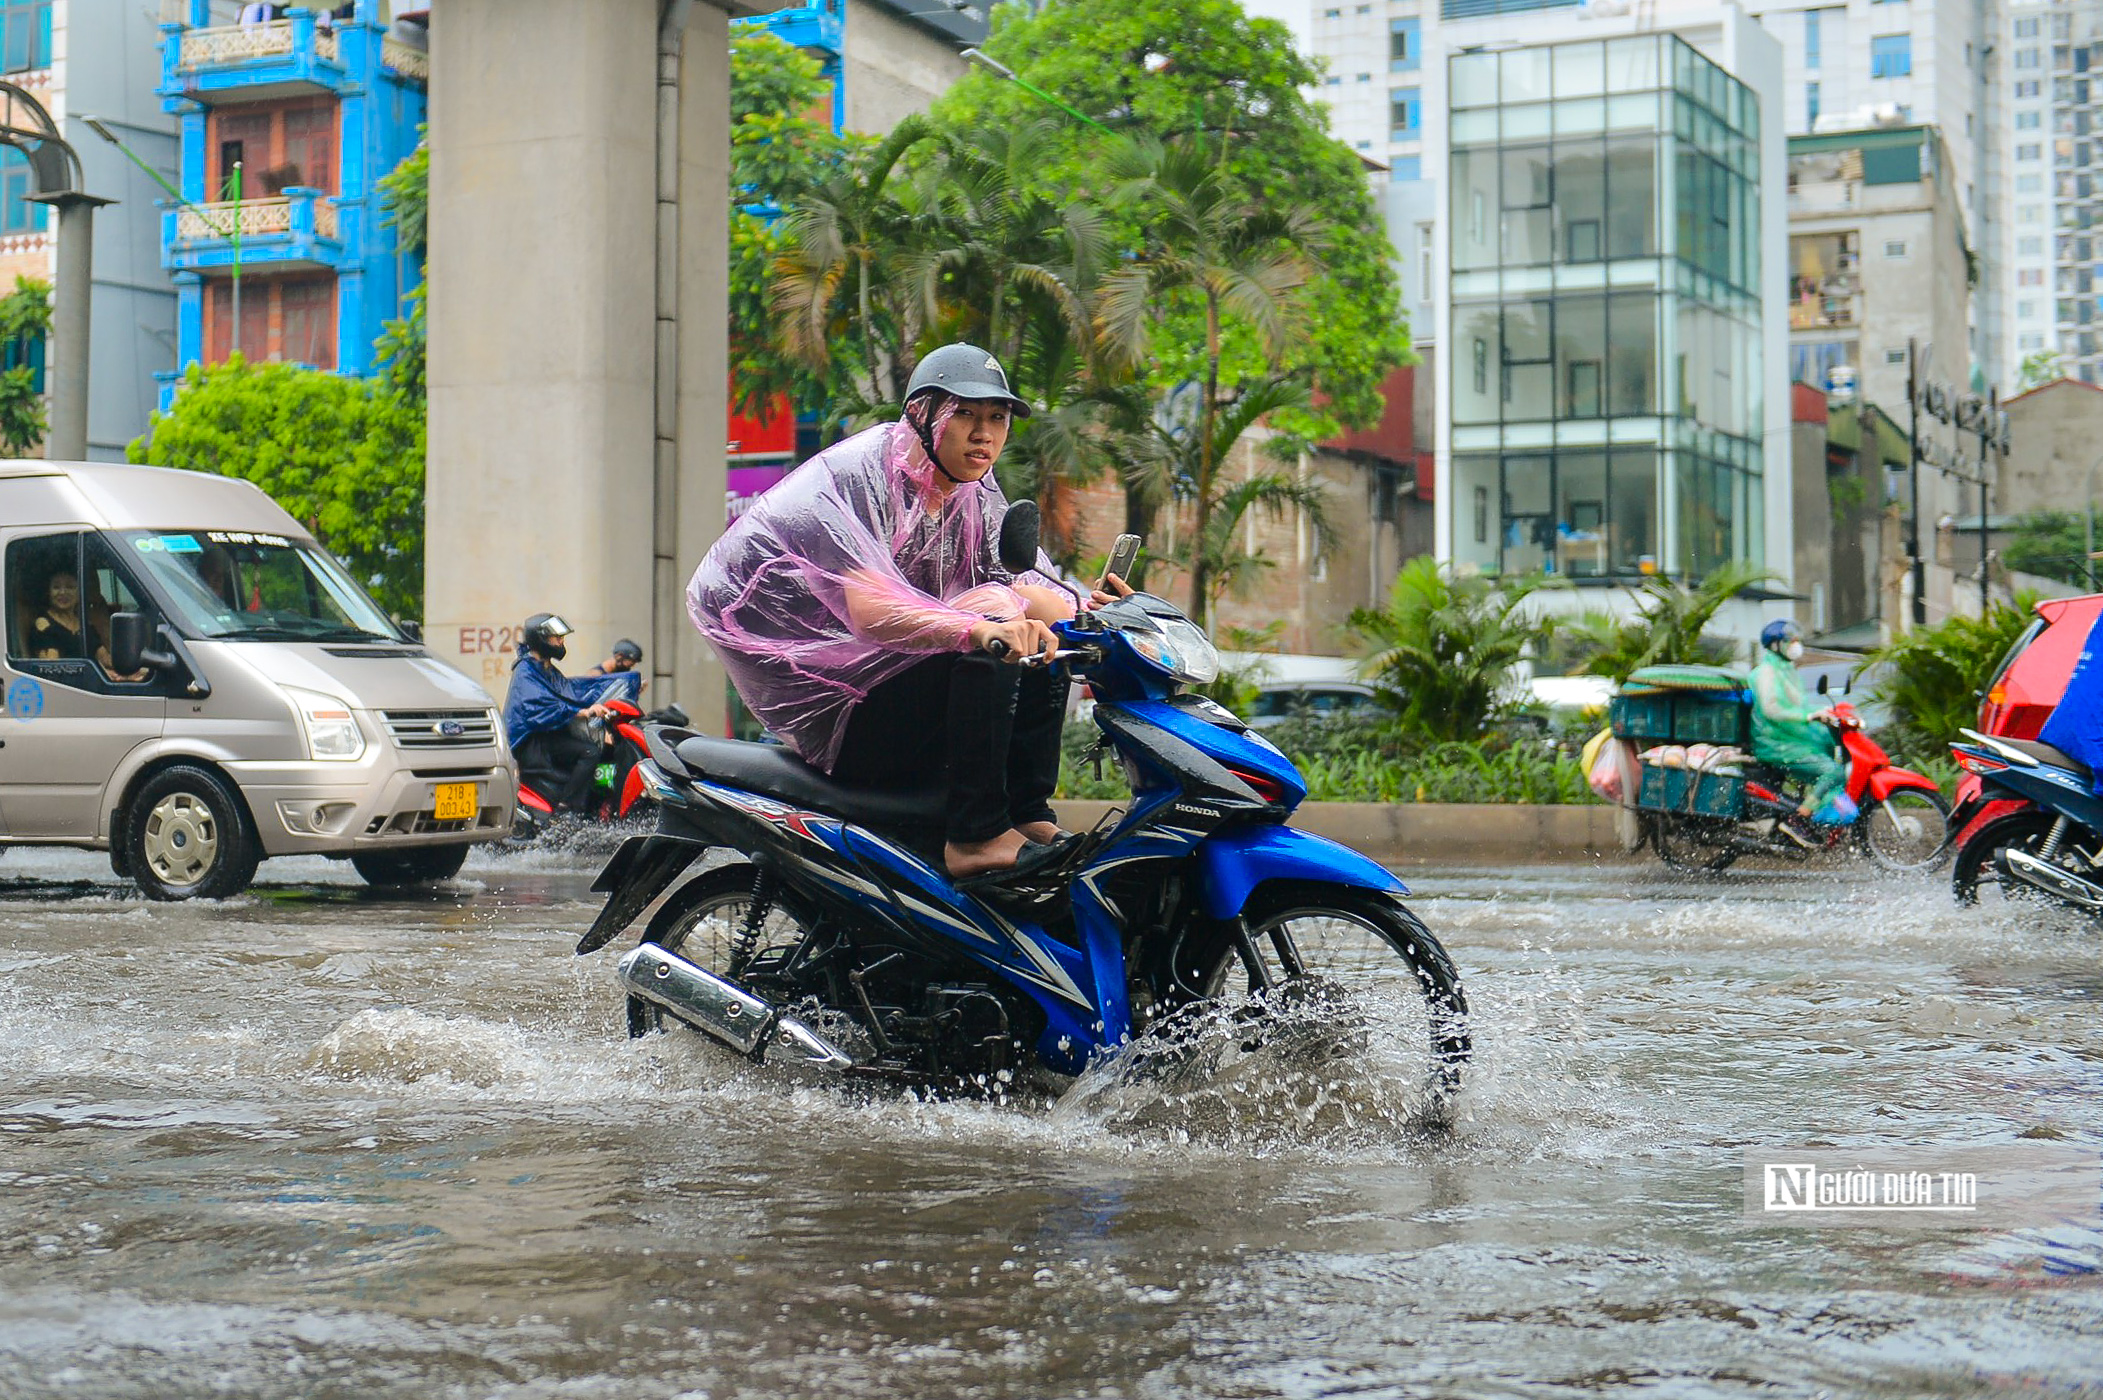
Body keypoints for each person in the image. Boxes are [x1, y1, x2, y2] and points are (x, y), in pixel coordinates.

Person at [687, 343, 1082, 880]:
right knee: (993, 641)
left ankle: (1027, 813)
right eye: (964, 414)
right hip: (836, 708)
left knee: (1037, 641)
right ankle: (975, 838)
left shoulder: (970, 490)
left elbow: (1033, 585)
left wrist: (1093, 610)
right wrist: (978, 630)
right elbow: (869, 610)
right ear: (921, 414)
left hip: (887, 684)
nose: (984, 433)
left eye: (997, 417)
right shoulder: (857, 476)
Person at [503, 613, 639, 814]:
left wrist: (617, 689)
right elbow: (539, 705)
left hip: (547, 737)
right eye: (556, 637)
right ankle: (567, 808)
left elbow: (572, 690)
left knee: (600, 749)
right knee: (589, 752)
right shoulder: (526, 671)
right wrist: (583, 711)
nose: (561, 642)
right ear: (540, 639)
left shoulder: (545, 669)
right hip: (531, 745)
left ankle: (591, 808)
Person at [1747, 618, 1848, 847]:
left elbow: (1798, 705)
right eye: (1789, 640)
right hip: (1774, 742)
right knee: (1831, 771)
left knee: (1833, 758)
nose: (1795, 644)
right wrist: (1808, 716)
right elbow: (1772, 710)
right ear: (1775, 645)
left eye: (1796, 639)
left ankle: (1819, 820)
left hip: (1791, 738)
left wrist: (1819, 712)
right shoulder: (1766, 673)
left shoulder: (1786, 670)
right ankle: (1799, 818)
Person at [28, 569, 86, 661]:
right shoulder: (43, 624)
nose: (62, 592)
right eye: (56, 587)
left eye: (70, 587)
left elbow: (104, 658)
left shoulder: (84, 623)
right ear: (48, 593)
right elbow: (52, 666)